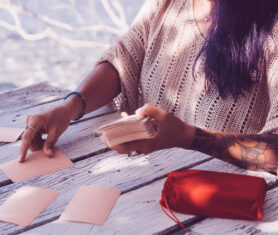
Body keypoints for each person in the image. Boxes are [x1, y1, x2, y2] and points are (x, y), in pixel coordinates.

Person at [19, 0, 278, 175]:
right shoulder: (168, 3)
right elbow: (125, 57)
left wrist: (187, 137)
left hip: (220, 208)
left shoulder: (272, 27)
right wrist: (68, 108)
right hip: (143, 183)